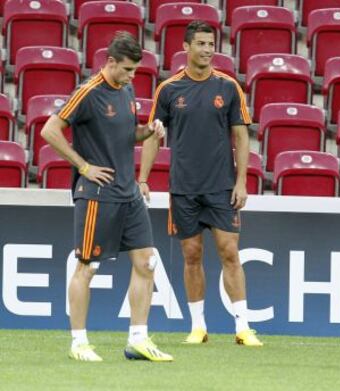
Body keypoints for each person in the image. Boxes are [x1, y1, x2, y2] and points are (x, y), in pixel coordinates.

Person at [41, 31, 173, 362]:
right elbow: (49, 130)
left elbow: (128, 135)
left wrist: (149, 132)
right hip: (97, 195)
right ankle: (79, 342)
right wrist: (84, 166)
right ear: (110, 62)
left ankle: (138, 340)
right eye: (127, 69)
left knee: (147, 261)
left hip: (128, 193)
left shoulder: (126, 90)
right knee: (87, 266)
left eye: (135, 71)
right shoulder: (86, 92)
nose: (132, 77)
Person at [139, 21, 263, 346]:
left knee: (230, 252)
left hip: (222, 187)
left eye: (212, 44)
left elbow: (241, 136)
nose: (208, 50)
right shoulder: (168, 90)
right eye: (202, 44)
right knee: (191, 254)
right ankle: (198, 327)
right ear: (186, 47)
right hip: (184, 189)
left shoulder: (228, 87)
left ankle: (243, 327)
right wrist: (142, 178)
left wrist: (242, 182)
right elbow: (152, 136)